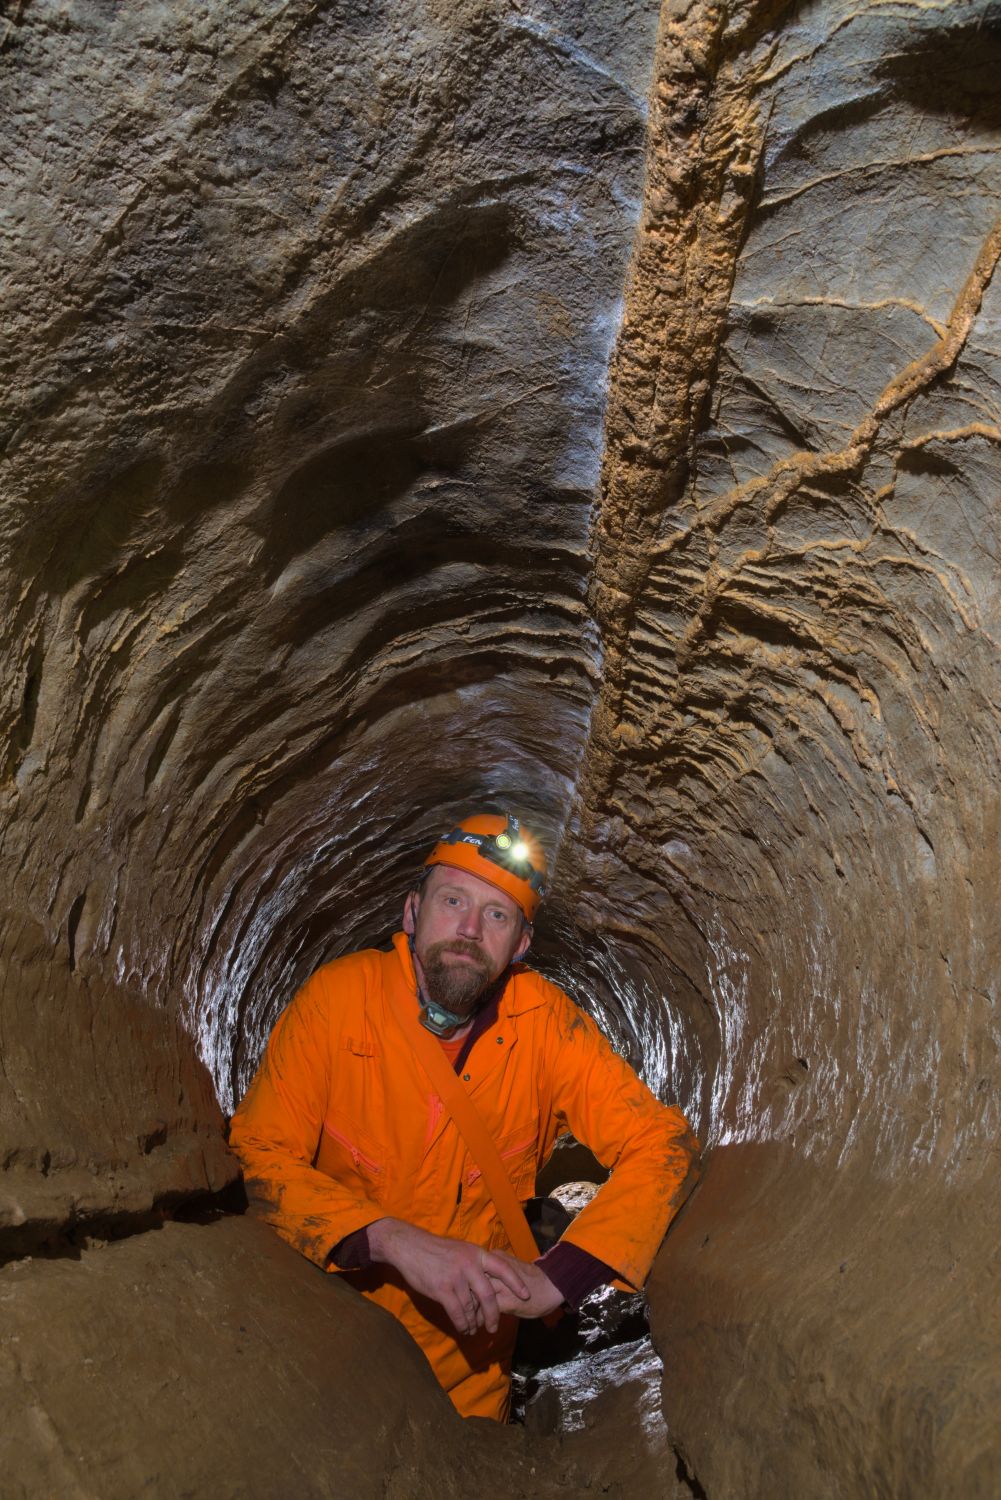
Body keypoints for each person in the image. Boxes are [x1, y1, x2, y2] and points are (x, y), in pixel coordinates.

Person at [229, 812, 699, 1421]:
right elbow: (255, 1155)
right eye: (453, 900)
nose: (470, 929)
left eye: (497, 915)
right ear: (411, 912)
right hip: (328, 1343)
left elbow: (662, 1145)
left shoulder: (546, 1025)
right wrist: (391, 1240)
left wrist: (558, 1279)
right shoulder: (337, 1004)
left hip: (469, 1374)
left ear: (521, 945)